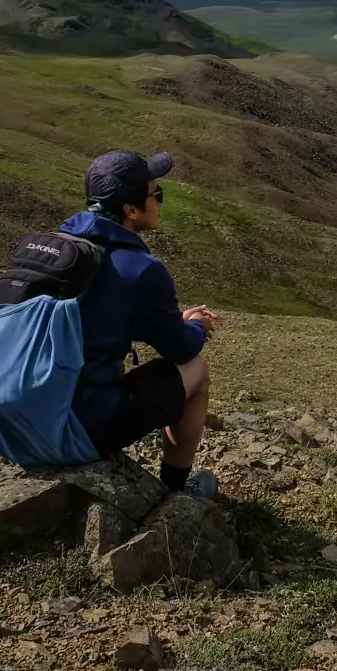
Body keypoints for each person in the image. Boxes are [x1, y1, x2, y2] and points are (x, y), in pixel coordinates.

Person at [58, 150, 220, 497]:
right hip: (74, 429)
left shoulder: (63, 250)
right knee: (196, 370)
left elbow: (97, 320)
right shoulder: (140, 268)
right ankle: (176, 494)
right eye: (155, 194)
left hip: (17, 419)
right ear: (130, 210)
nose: (160, 201)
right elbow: (181, 348)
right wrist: (195, 326)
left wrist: (174, 320)